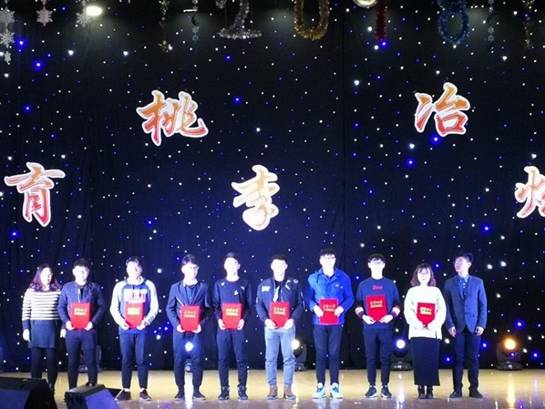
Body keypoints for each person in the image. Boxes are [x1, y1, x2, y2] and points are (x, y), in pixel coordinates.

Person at [306, 248, 354, 399]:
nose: (328, 261)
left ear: (334, 260)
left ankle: (335, 385)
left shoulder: (343, 277)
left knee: (334, 353)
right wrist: (314, 307)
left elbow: (350, 298)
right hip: (319, 322)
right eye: (325, 258)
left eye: (331, 258)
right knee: (320, 353)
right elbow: (307, 298)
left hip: (336, 322)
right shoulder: (313, 278)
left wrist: (342, 308)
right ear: (320, 260)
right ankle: (320, 385)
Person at [110, 257, 159, 401]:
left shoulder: (149, 285)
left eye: (136, 267)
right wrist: (121, 322)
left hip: (142, 328)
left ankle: (143, 390)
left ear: (141, 268)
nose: (134, 270)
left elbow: (155, 307)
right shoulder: (120, 286)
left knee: (142, 359)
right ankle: (126, 390)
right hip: (125, 329)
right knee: (126, 359)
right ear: (127, 270)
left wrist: (146, 321)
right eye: (131, 268)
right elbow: (113, 308)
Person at [255, 254, 304, 401]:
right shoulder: (263, 285)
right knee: (270, 358)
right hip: (271, 327)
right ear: (271, 266)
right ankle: (272, 388)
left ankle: (288, 388)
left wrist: (293, 319)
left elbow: (301, 304)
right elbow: (258, 305)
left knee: (289, 357)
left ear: (286, 266)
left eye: (282, 264)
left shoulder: (294, 284)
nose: (279, 267)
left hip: (287, 327)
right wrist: (265, 320)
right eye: (276, 264)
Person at [354, 253, 400, 399]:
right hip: (369, 327)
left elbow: (397, 305)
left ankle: (385, 386)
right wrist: (364, 316)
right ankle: (372, 386)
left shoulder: (390, 285)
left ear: (384, 265)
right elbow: (358, 305)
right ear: (369, 265)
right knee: (370, 357)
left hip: (386, 327)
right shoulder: (363, 285)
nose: (377, 265)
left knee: (386, 357)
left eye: (379, 262)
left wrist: (391, 316)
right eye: (374, 262)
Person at [166, 254, 212, 401]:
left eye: (195, 268)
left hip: (197, 330)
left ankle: (196, 390)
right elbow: (169, 308)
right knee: (179, 360)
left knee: (197, 360)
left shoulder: (203, 287)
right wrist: (176, 324)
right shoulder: (175, 288)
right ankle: (180, 390)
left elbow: (209, 309)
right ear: (183, 269)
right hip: (180, 330)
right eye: (189, 268)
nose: (192, 271)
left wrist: (201, 324)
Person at [443, 253, 487, 399]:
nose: (457, 264)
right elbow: (446, 306)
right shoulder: (449, 283)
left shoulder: (478, 282)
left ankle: (474, 389)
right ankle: (457, 389)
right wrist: (449, 324)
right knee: (458, 359)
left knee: (473, 359)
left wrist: (481, 324)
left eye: (460, 262)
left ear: (468, 264)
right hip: (457, 327)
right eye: (455, 262)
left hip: (474, 326)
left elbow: (483, 304)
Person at [58, 258, 106, 389]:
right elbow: (61, 307)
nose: (82, 274)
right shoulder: (67, 287)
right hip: (72, 330)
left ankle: (92, 390)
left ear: (88, 272)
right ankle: (72, 391)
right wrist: (66, 322)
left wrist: (93, 322)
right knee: (72, 362)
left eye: (84, 271)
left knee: (91, 361)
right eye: (79, 271)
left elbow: (102, 306)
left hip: (89, 330)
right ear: (74, 271)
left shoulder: (95, 287)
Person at [212, 252, 253, 400]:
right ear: (224, 266)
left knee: (241, 359)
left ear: (238, 266)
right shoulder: (219, 284)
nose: (231, 266)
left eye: (234, 263)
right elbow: (215, 305)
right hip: (223, 328)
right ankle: (224, 389)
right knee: (222, 359)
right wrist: (219, 319)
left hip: (239, 328)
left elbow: (249, 306)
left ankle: (242, 389)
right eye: (228, 264)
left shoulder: (245, 283)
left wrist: (243, 319)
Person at [403, 263, 446, 399]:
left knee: (431, 361)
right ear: (416, 275)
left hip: (432, 332)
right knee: (419, 361)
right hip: (417, 331)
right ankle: (421, 388)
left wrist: (433, 324)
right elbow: (408, 310)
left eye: (426, 273)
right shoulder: (412, 291)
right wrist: (418, 323)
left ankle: (430, 388)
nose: (423, 276)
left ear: (430, 275)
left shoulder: (436, 291)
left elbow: (442, 310)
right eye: (420, 273)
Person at [21, 264, 63, 394]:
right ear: (39, 275)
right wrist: (26, 329)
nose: (48, 277)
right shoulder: (30, 291)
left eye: (50, 274)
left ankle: (51, 388)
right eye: (45, 274)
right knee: (36, 363)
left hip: (52, 330)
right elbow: (25, 311)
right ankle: (36, 389)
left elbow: (63, 311)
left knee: (52, 362)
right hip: (36, 330)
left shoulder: (58, 290)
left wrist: (63, 327)